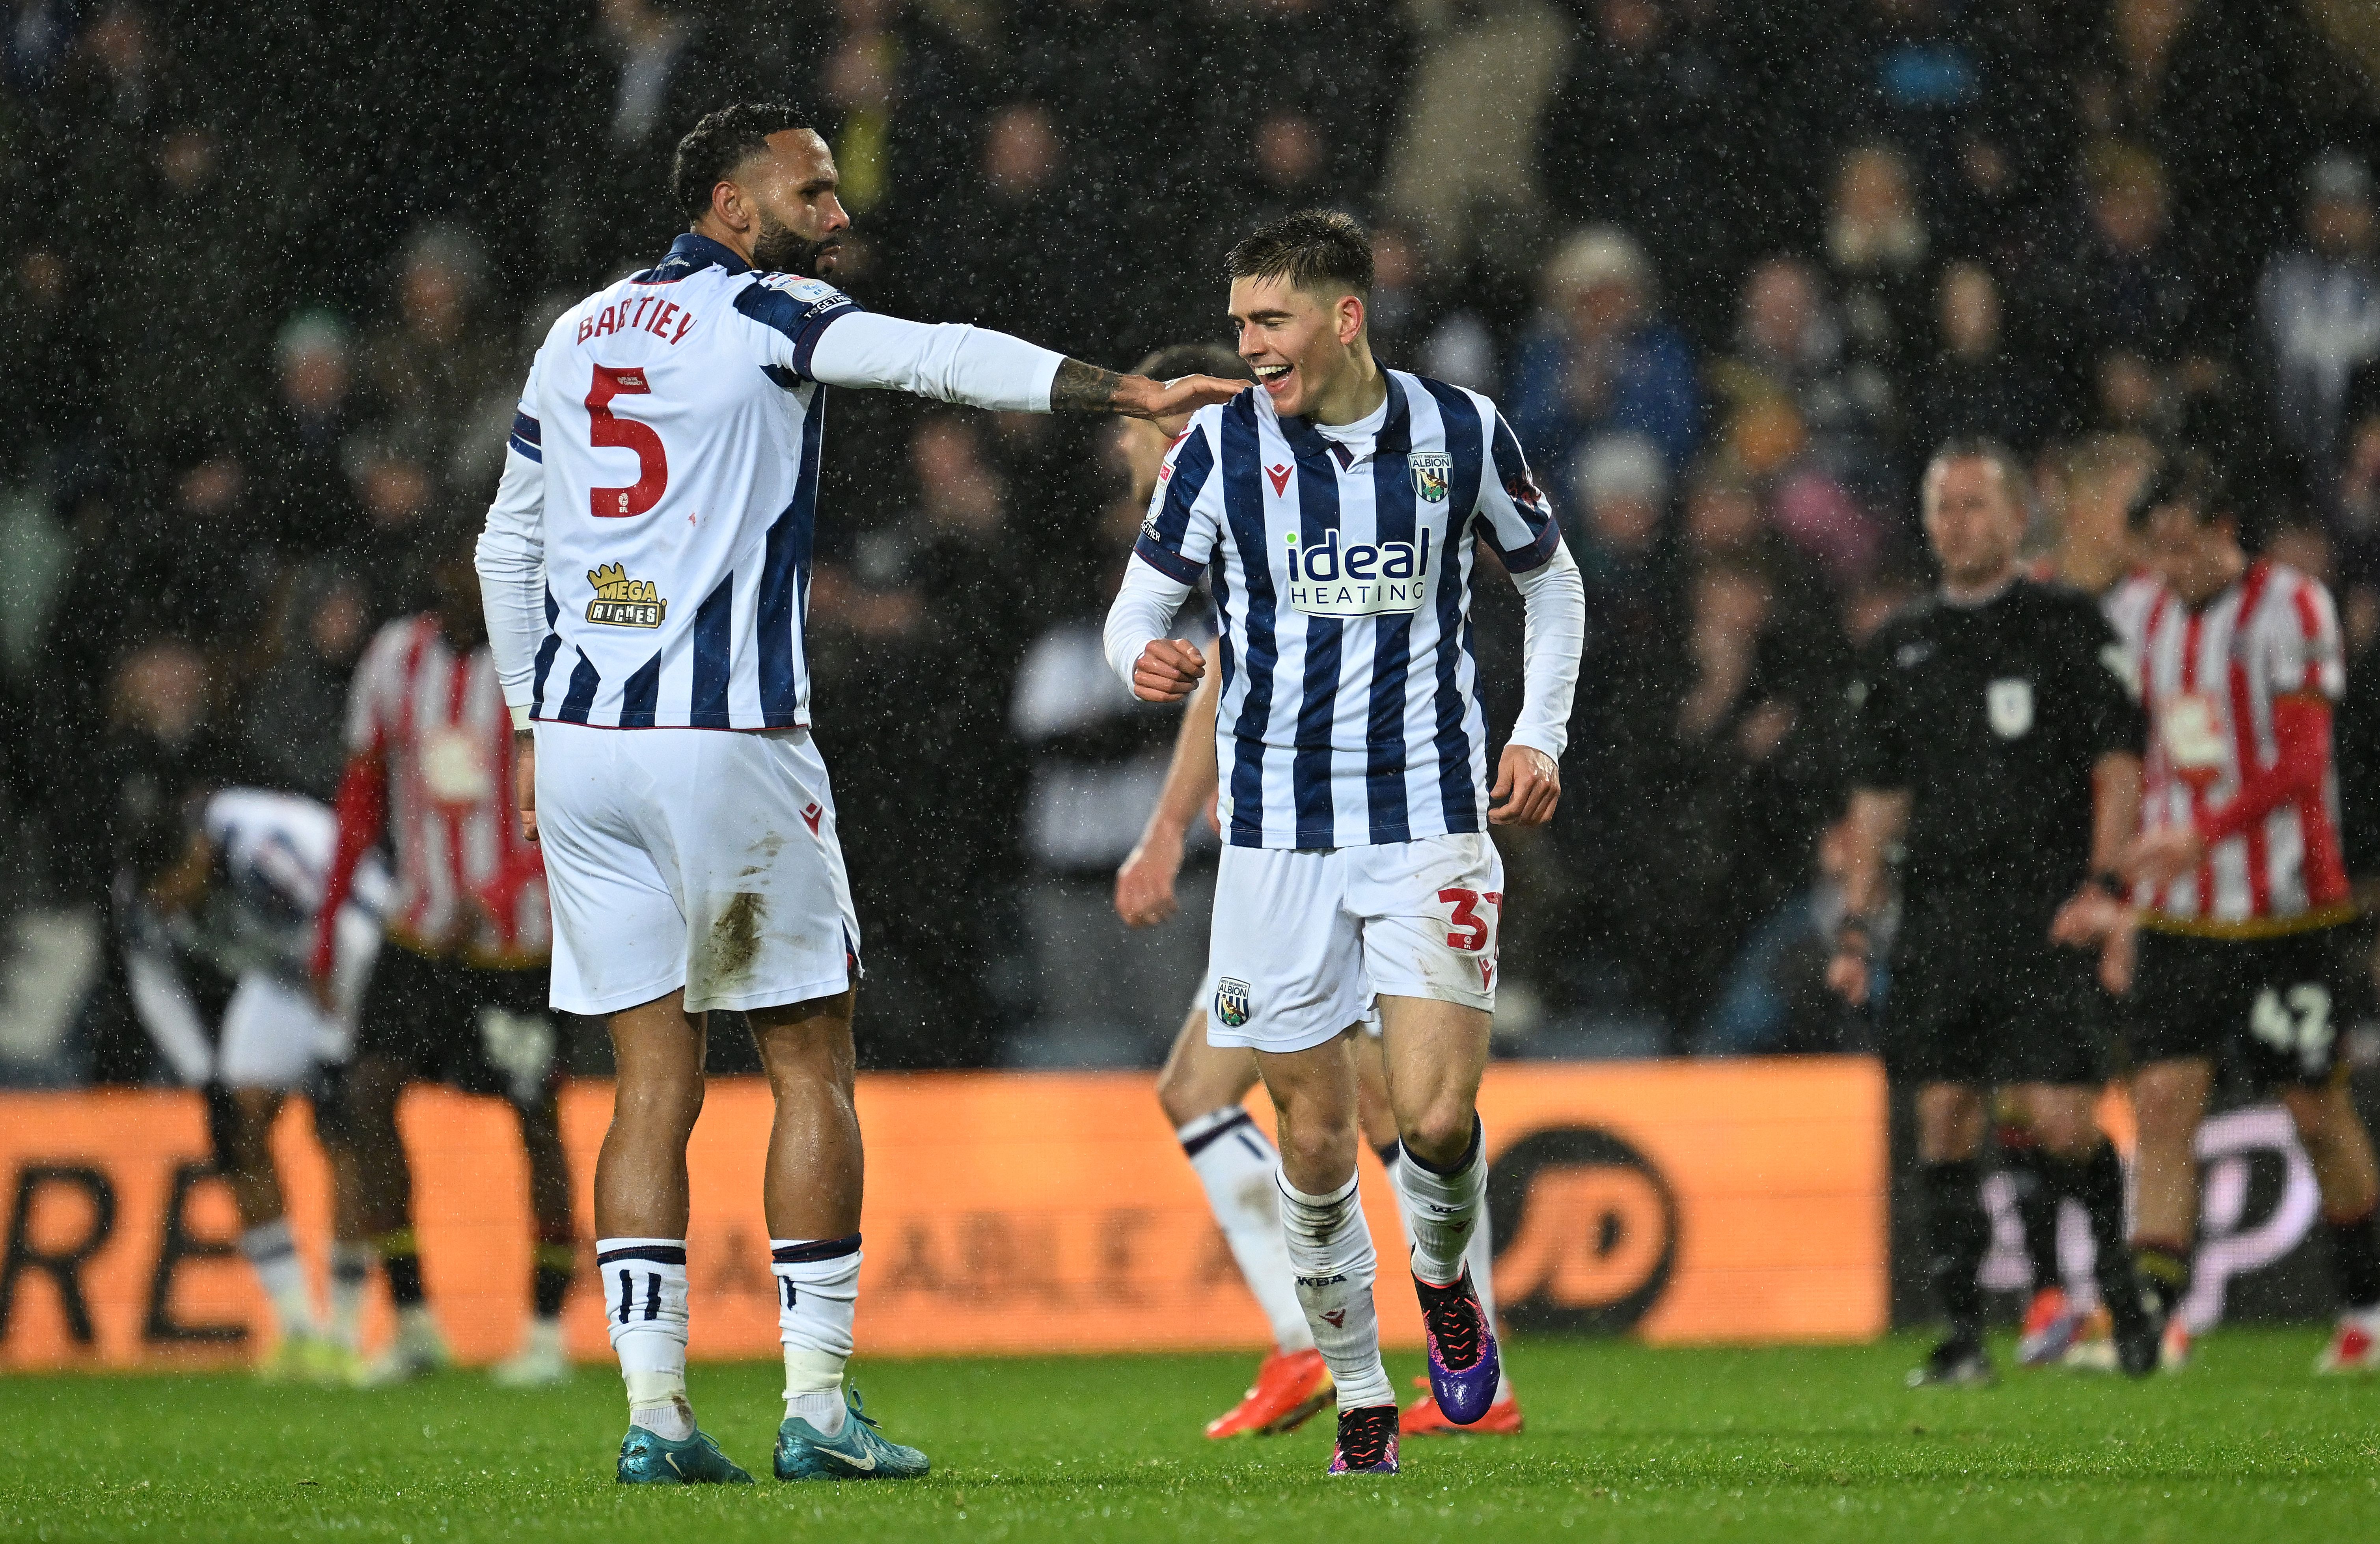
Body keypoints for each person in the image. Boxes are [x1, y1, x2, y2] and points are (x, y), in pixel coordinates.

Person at [472, 102, 1246, 1486]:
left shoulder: (577, 329)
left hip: (587, 746)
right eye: (807, 193)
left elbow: (502, 545)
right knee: (807, 1057)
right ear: (729, 204)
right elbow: (936, 358)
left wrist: (532, 725)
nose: (834, 216)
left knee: (649, 1083)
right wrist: (1123, 392)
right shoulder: (767, 315)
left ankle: (654, 1416)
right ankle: (816, 1403)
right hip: (724, 735)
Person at [1104, 211, 1583, 1475]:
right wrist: (1137, 656)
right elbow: (1140, 608)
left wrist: (1538, 731)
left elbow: (1551, 577)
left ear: (1343, 318)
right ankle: (1363, 1393)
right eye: (1241, 322)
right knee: (1312, 1142)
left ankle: (1443, 1284)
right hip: (1272, 845)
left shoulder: (1459, 429)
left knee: (1431, 1118)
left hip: (1428, 820)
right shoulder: (1211, 450)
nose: (1249, 346)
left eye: (1269, 322)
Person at [1828, 438, 2158, 1386]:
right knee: (1942, 1114)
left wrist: (2104, 884)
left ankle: (2120, 1296)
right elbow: (1879, 795)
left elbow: (2118, 762)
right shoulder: (1903, 643)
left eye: (1975, 505)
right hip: (1941, 910)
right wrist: (1858, 923)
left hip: (2044, 906)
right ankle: (1964, 1335)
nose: (1956, 523)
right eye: (1942, 506)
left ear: (2018, 520)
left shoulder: (2065, 624)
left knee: (2060, 1118)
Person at [2111, 453, 2380, 1374]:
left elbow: (2303, 764)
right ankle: (2156, 1324)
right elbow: (2129, 750)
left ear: (2226, 532)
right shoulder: (2136, 614)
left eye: (2183, 549)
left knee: (2313, 1111)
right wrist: (2120, 886)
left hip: (2288, 914)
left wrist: (2202, 833)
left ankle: (2368, 1312)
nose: (2169, 569)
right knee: (2161, 1106)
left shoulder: (2294, 608)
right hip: (2180, 916)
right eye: (2155, 553)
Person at [310, 527, 578, 1390]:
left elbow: (571, 796)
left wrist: (500, 891)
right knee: (366, 1099)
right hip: (419, 933)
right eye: (462, 567)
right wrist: (330, 927)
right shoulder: (395, 658)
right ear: (439, 574)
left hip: (514, 945)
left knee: (534, 1122)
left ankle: (544, 1333)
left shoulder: (541, 654)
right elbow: (362, 795)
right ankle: (415, 1320)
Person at [122, 784, 385, 1379]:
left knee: (341, 1131)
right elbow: (152, 978)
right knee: (237, 1118)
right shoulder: (143, 891)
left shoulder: (263, 853)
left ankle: (344, 1330)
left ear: (196, 855)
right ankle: (295, 1324)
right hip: (282, 974)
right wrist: (202, 1076)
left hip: (353, 966)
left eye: (172, 883)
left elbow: (353, 927)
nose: (167, 902)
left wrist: (333, 1052)